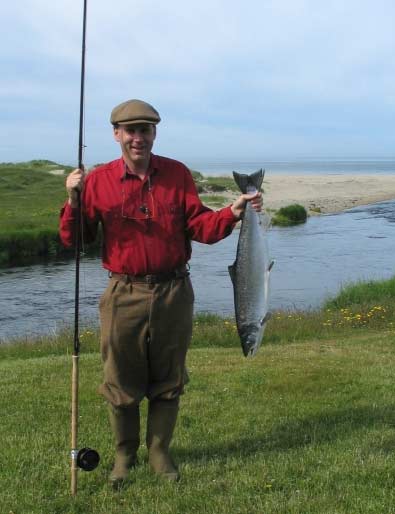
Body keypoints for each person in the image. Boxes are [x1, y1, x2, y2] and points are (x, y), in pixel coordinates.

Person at [59, 98, 262, 488]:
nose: (138, 138)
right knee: (120, 379)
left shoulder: (177, 174)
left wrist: (234, 212)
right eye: (130, 130)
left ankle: (159, 453)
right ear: (117, 134)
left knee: (169, 379)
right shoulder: (97, 181)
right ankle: (124, 455)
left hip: (174, 291)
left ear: (154, 133)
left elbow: (201, 226)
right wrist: (73, 198)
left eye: (146, 130)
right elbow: (75, 239)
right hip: (123, 292)